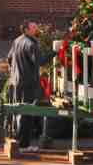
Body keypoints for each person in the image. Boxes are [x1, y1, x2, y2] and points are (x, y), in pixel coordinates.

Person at [7, 20, 57, 153]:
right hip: (28, 83)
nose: (36, 29)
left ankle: (15, 140)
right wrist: (54, 52)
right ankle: (24, 145)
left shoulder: (17, 41)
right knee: (27, 113)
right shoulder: (31, 43)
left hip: (15, 82)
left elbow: (9, 58)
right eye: (34, 27)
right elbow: (40, 61)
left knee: (16, 111)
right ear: (26, 30)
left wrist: (13, 73)